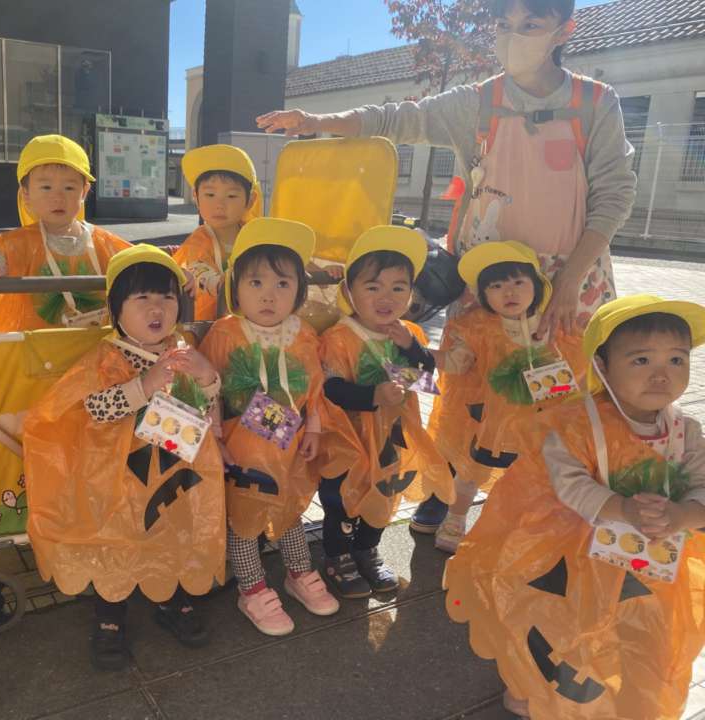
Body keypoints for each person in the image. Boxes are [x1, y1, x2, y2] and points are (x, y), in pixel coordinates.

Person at [257, 0, 637, 533]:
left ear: (563, 30)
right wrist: (317, 121)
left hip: (567, 277)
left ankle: (552, 497)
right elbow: (397, 118)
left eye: (531, 24)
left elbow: (616, 193)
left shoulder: (596, 102)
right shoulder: (478, 102)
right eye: (504, 25)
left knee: (561, 388)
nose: (514, 36)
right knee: (468, 381)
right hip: (485, 274)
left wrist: (571, 279)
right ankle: (450, 485)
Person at [445, 295, 705, 719]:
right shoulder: (576, 423)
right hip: (572, 553)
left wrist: (684, 515)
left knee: (642, 628)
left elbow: (701, 485)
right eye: (641, 360)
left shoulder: (685, 432)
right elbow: (568, 483)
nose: (662, 374)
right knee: (560, 623)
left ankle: (626, 690)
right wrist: (622, 508)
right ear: (601, 366)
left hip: (652, 563)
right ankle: (531, 683)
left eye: (676, 360)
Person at [23, 244, 226, 671]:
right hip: (116, 480)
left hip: (172, 471)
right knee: (115, 542)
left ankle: (171, 597)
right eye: (142, 298)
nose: (157, 308)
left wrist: (208, 378)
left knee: (171, 531)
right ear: (116, 310)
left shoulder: (183, 349)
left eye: (167, 297)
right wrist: (145, 385)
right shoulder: (107, 356)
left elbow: (204, 410)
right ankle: (110, 614)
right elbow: (93, 408)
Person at [200, 217, 339, 636]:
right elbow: (207, 392)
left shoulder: (304, 334)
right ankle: (252, 587)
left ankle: (299, 572)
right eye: (256, 282)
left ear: (299, 290)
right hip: (242, 450)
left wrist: (314, 428)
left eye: (282, 284)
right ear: (235, 287)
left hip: (290, 445)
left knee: (291, 508)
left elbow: (315, 387)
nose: (268, 295)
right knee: (243, 517)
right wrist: (215, 441)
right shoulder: (225, 333)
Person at [316, 225, 454, 597]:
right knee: (340, 498)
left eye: (398, 288)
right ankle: (337, 555)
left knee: (384, 493)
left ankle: (367, 549)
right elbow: (330, 388)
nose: (386, 298)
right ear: (349, 291)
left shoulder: (408, 333)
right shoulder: (338, 337)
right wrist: (373, 395)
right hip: (348, 440)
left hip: (392, 438)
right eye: (373, 287)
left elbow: (424, 375)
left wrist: (412, 348)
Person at [428, 241, 586, 552]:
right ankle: (455, 518)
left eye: (518, 282)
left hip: (540, 424)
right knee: (471, 472)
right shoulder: (477, 327)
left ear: (536, 286)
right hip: (490, 421)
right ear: (484, 295)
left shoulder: (555, 326)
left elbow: (577, 368)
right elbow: (458, 363)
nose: (509, 292)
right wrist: (417, 353)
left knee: (533, 475)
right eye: (496, 286)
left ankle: (521, 525)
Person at [0, 134, 130, 333]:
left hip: (96, 346)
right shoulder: (19, 242)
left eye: (69, 188)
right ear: (26, 194)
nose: (58, 197)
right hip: (37, 347)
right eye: (46, 187)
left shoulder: (103, 241)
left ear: (84, 192)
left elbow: (136, 259)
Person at [173, 144, 262, 320]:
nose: (219, 205)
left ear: (250, 200)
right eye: (210, 195)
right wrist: (219, 283)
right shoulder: (199, 241)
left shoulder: (257, 236)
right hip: (210, 324)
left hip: (256, 317)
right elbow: (199, 270)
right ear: (196, 196)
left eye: (231, 196)